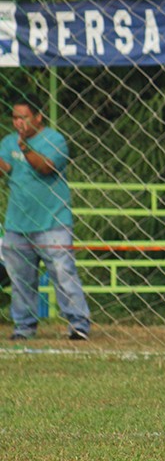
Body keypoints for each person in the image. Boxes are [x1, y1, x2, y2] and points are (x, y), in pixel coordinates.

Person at [0, 95, 92, 341]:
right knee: (20, 280)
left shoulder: (54, 139)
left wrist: (25, 148)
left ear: (38, 117)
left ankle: (78, 324)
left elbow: (46, 168)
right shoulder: (8, 141)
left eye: (24, 117)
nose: (18, 123)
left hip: (52, 221)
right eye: (15, 117)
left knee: (63, 274)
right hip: (17, 223)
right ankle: (24, 327)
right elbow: (4, 169)